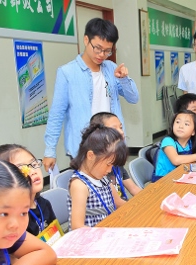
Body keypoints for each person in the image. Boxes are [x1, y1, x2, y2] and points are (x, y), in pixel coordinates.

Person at [44, 18, 138, 173]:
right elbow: (56, 113)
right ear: (86, 40)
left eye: (108, 51)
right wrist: (49, 150)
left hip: (113, 143)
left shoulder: (111, 68)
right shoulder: (67, 72)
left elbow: (133, 98)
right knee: (88, 194)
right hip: (84, 147)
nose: (102, 55)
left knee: (114, 191)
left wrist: (124, 79)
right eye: (98, 48)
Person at [68, 124, 129, 229]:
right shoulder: (80, 185)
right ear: (91, 156)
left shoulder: (102, 178)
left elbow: (118, 202)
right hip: (89, 240)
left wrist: (140, 208)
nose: (110, 170)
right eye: (108, 164)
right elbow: (77, 227)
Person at [0, 145, 57, 236]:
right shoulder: (13, 219)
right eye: (22, 170)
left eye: (33, 164)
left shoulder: (44, 203)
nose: (33, 171)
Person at [88, 112, 141, 200]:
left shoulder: (115, 157)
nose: (121, 132)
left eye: (121, 127)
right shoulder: (96, 165)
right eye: (114, 129)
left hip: (123, 207)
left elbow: (133, 189)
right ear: (99, 133)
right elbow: (116, 203)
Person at [152, 110, 196, 182]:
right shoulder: (168, 141)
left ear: (193, 132)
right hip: (163, 181)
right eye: (177, 122)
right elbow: (175, 160)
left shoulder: (190, 143)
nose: (180, 126)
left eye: (186, 124)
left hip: (179, 177)